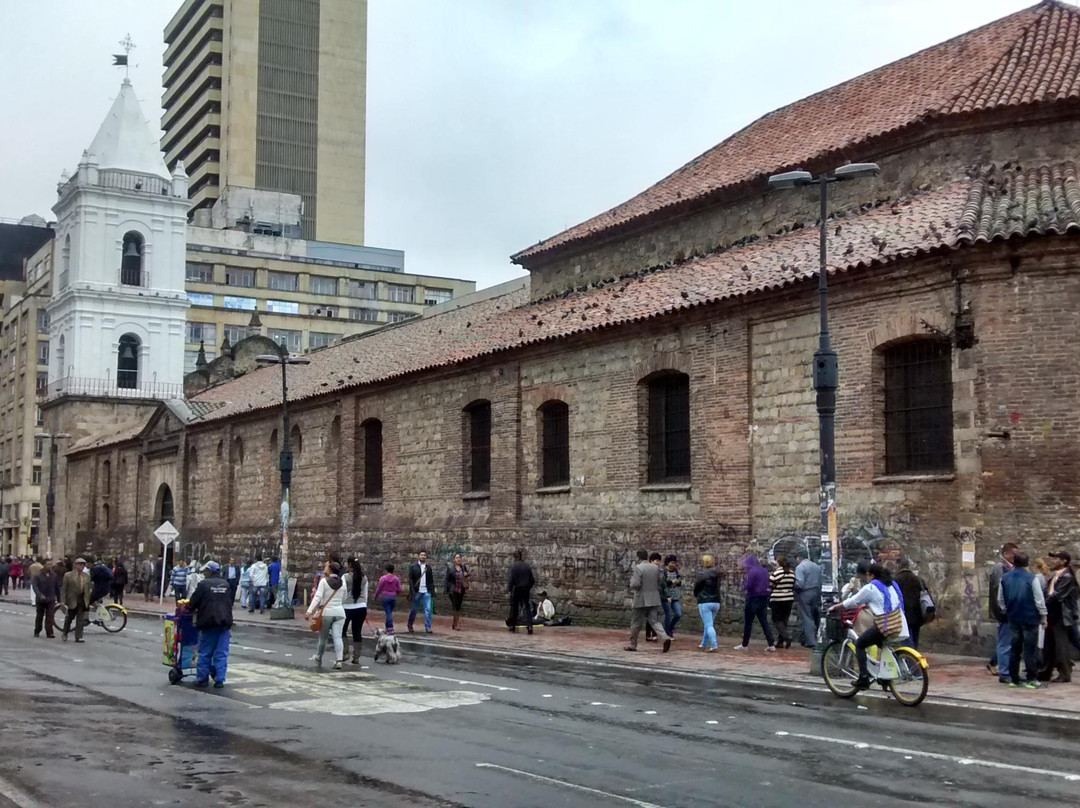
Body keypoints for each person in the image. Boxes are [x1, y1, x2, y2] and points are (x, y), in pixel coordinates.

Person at [835, 561, 909, 690]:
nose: (866, 577)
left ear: (872, 575)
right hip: (899, 624)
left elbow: (853, 601)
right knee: (880, 644)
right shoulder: (892, 584)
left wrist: (836, 607)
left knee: (860, 644)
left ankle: (863, 678)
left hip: (886, 625)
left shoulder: (871, 588)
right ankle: (884, 676)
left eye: (868, 575)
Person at [997, 551, 1046, 689]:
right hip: (1030, 617)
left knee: (1015, 648)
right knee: (1030, 649)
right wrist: (1043, 616)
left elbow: (1000, 599)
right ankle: (1031, 678)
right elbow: (1039, 599)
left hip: (1013, 617)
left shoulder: (1005, 578)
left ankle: (1014, 678)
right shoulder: (1032, 578)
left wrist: (1006, 610)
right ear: (1026, 563)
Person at [188, 561, 233, 688]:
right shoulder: (226, 584)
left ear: (209, 571)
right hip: (225, 623)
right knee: (221, 653)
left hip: (209, 622)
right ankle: (219, 680)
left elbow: (193, 602)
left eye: (206, 571)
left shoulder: (203, 585)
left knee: (205, 652)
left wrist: (190, 609)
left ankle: (202, 679)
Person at [625, 550, 672, 652]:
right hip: (654, 598)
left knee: (636, 623)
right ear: (647, 557)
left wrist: (631, 583)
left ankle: (633, 645)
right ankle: (665, 637)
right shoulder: (656, 568)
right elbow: (660, 582)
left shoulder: (638, 568)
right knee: (654, 621)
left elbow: (636, 584)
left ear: (638, 557)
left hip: (640, 598)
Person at [306, 560, 347, 670]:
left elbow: (317, 597)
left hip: (326, 613)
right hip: (340, 612)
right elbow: (344, 598)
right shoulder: (342, 583)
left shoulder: (324, 582)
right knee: (338, 637)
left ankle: (319, 657)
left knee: (323, 638)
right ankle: (339, 660)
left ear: (330, 570)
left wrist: (309, 611)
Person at [1045, 550, 1078, 683]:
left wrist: (1041, 603)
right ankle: (1055, 670)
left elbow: (1057, 596)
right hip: (1052, 614)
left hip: (1062, 615)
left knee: (1061, 644)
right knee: (1052, 644)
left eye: (1056, 558)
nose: (1053, 561)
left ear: (1064, 561)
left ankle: (1065, 673)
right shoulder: (1055, 575)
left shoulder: (1067, 577)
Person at [988, 542, 1019, 682]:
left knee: (1009, 641)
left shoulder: (1011, 568)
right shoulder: (1000, 568)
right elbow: (998, 591)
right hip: (1005, 612)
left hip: (1011, 611)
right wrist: (1003, 610)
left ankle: (1002, 667)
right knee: (1005, 642)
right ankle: (1004, 673)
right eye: (1014, 553)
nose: (1016, 556)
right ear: (1006, 553)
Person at [735, 554, 776, 652]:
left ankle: (744, 645)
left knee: (748, 622)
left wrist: (743, 584)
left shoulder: (752, 571)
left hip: (753, 598)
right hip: (764, 598)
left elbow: (749, 585)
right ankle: (771, 644)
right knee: (764, 621)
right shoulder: (764, 570)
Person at [894, 559, 927, 649]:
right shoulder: (918, 579)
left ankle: (910, 661)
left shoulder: (896, 580)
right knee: (915, 640)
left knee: (907, 642)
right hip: (918, 614)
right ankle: (914, 658)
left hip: (903, 615)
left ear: (898, 566)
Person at [794, 551, 823, 648]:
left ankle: (811, 641)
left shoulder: (800, 567)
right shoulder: (816, 566)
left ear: (799, 557)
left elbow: (800, 583)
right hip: (816, 592)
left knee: (806, 617)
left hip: (805, 593)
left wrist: (793, 586)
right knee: (815, 616)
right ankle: (805, 638)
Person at [60, 558, 93, 642]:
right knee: (69, 618)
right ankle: (65, 633)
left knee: (80, 620)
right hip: (72, 599)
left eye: (83, 564)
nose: (82, 566)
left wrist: (91, 600)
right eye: (80, 564)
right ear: (76, 565)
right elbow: (64, 589)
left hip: (82, 599)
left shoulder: (86, 576)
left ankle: (78, 636)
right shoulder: (68, 575)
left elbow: (88, 589)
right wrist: (63, 601)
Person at [694, 554, 722, 652]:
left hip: (705, 601)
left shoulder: (702, 574)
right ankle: (703, 644)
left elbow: (697, 587)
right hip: (716, 601)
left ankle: (714, 645)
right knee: (708, 624)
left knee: (709, 625)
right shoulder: (717, 574)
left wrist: (696, 594)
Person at [342, 558, 368, 664]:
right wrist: (364, 605)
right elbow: (366, 594)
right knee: (357, 632)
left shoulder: (345, 577)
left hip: (347, 606)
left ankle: (345, 652)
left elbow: (343, 592)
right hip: (361, 606)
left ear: (349, 565)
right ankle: (356, 657)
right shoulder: (364, 577)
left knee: (342, 630)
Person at [769, 553, 796, 650]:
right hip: (789, 599)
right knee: (784, 620)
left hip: (777, 599)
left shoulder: (776, 573)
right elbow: (793, 585)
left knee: (776, 619)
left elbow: (770, 584)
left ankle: (786, 636)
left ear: (779, 563)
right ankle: (780, 642)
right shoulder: (792, 573)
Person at [506, 549, 536, 634]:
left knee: (515, 607)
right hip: (526, 589)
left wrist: (509, 589)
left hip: (517, 589)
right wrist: (528, 587)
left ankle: (513, 626)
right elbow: (532, 580)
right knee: (526, 607)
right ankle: (529, 626)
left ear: (515, 557)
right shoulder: (527, 566)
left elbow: (511, 580)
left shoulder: (514, 566)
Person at [407, 551, 435, 633]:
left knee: (428, 609)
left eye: (424, 555)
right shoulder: (413, 567)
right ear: (419, 556)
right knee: (414, 609)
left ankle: (428, 627)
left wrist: (432, 590)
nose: (423, 556)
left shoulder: (428, 567)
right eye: (421, 555)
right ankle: (410, 624)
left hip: (426, 591)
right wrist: (412, 591)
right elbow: (411, 579)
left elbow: (431, 580)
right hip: (417, 591)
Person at [32, 561, 59, 638]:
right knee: (40, 616)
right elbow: (35, 586)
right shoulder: (38, 575)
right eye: (48, 564)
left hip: (50, 598)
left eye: (51, 564)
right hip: (41, 599)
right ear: (44, 565)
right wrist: (39, 594)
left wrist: (60, 599)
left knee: (50, 616)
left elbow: (57, 588)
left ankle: (49, 632)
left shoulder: (54, 575)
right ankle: (37, 630)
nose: (49, 566)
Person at [374, 563, 401, 634]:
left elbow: (379, 588)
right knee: (389, 612)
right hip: (393, 597)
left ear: (386, 570)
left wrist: (375, 596)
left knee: (388, 613)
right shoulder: (396, 578)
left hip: (385, 597)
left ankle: (390, 628)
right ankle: (387, 627)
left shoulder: (383, 578)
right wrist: (396, 593)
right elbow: (399, 589)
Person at [444, 553, 469, 631]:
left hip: (461, 590)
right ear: (454, 559)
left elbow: (466, 577)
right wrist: (446, 589)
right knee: (455, 606)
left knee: (458, 607)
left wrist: (466, 575)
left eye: (459, 557)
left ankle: (454, 623)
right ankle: (456, 624)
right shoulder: (450, 568)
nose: (459, 559)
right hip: (453, 590)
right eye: (457, 558)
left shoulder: (463, 568)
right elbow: (447, 579)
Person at [661, 555, 684, 638]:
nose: (673, 564)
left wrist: (678, 582)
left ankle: (670, 628)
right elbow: (662, 585)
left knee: (678, 614)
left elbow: (679, 584)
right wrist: (671, 582)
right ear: (667, 563)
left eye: (674, 562)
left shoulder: (676, 571)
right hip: (667, 597)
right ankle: (667, 633)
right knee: (668, 615)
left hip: (675, 596)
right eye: (672, 562)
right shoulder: (663, 572)